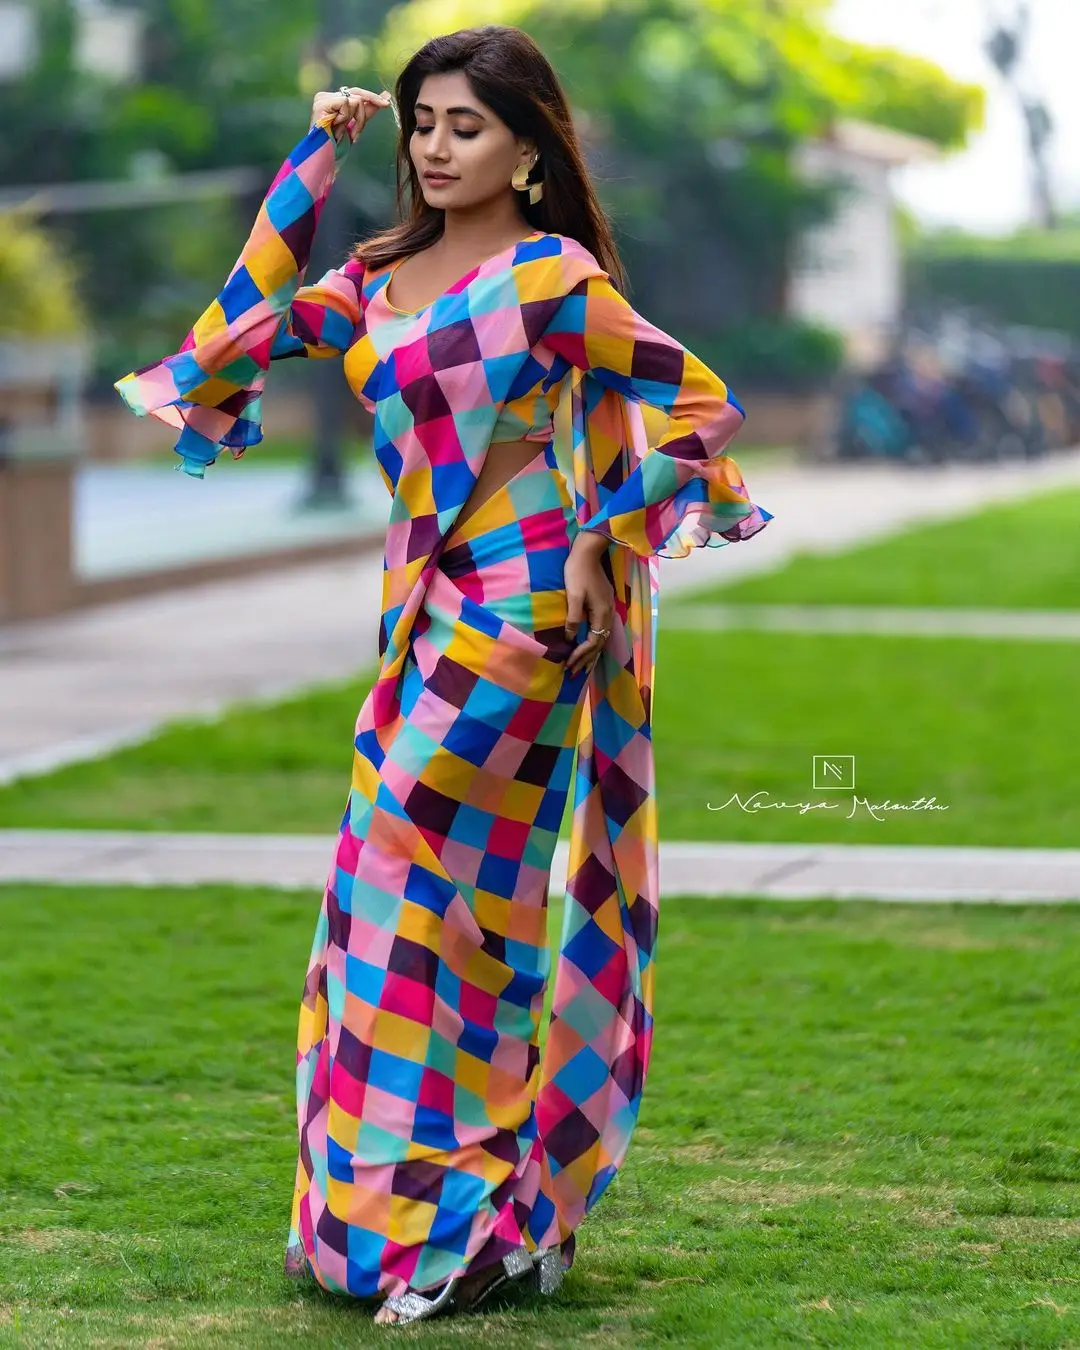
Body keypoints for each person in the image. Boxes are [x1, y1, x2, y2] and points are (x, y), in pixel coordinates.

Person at [114, 24, 773, 1327]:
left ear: (529, 146)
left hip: (527, 616)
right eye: (423, 122)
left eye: (466, 125)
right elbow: (232, 332)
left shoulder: (551, 279)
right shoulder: (375, 279)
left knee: (411, 842)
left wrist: (608, 528)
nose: (434, 144)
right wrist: (313, 156)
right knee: (399, 893)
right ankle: (428, 1212)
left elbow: (702, 405)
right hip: (423, 621)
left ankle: (472, 1203)